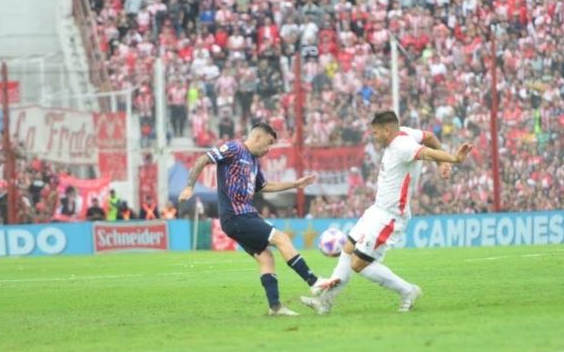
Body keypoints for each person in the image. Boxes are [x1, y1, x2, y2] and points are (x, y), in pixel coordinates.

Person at [301, 111, 472, 314]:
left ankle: (407, 291)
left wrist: (452, 159)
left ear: (387, 130)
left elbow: (426, 151)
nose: (374, 137)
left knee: (358, 263)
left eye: (375, 133)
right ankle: (326, 302)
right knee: (348, 248)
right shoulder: (407, 133)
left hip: (391, 216)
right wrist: (441, 164)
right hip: (376, 209)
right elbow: (429, 136)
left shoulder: (403, 145)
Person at [178, 122, 334, 316]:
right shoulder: (234, 148)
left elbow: (264, 186)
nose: (268, 149)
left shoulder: (253, 161)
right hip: (237, 215)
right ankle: (314, 282)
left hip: (243, 215)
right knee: (281, 239)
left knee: (266, 257)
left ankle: (275, 307)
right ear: (258, 137)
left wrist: (294, 184)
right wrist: (189, 186)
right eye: (268, 143)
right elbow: (203, 159)